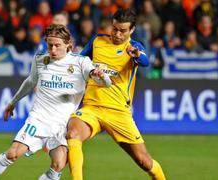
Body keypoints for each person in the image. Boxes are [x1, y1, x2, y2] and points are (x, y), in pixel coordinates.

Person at [0, 24, 111, 180]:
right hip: (39, 119)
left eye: (57, 45)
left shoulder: (81, 62)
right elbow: (30, 82)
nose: (53, 49)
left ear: (69, 45)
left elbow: (106, 83)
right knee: (12, 154)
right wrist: (13, 102)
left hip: (62, 124)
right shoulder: (40, 59)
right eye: (50, 45)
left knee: (59, 164)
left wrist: (102, 76)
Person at [66, 9, 166, 180]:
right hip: (92, 109)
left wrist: (136, 55)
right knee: (73, 133)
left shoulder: (134, 48)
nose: (117, 34)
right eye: (115, 29)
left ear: (132, 30)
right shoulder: (97, 41)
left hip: (119, 113)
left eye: (123, 31)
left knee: (144, 161)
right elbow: (78, 62)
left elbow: (145, 61)